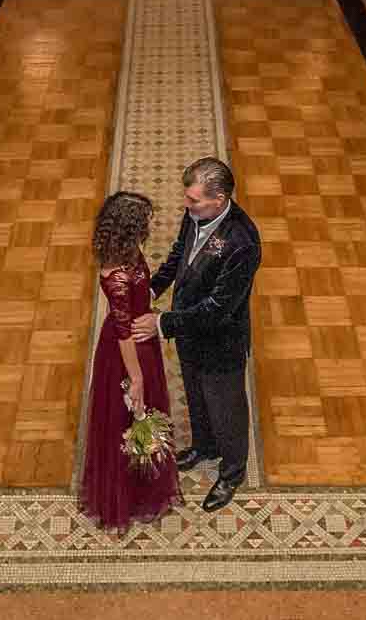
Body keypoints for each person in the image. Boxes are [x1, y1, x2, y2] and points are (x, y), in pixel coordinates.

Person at [132, 156, 261, 512]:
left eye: (193, 200)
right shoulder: (196, 216)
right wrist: (153, 288)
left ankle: (232, 472)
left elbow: (219, 309)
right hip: (190, 332)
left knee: (226, 408)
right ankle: (205, 446)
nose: (186, 205)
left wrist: (162, 323)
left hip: (221, 342)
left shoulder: (242, 241)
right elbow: (179, 255)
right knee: (196, 395)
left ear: (219, 200)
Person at [79, 191, 180, 529]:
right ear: (130, 228)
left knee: (144, 414)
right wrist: (136, 377)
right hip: (127, 353)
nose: (150, 226)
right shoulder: (116, 276)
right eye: (145, 221)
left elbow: (143, 291)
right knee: (129, 417)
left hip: (141, 340)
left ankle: (145, 482)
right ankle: (128, 495)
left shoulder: (129, 251)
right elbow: (123, 335)